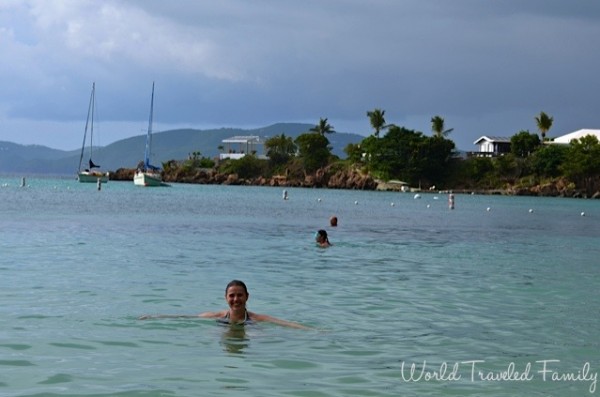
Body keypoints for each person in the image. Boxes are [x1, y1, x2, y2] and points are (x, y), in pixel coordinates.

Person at [139, 280, 309, 329]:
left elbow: (284, 323)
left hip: (248, 329)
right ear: (226, 297)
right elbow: (186, 317)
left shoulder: (256, 318)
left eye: (240, 295)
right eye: (232, 296)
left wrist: (314, 332)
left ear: (247, 297)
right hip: (225, 330)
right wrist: (155, 317)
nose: (236, 299)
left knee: (258, 336)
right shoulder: (217, 316)